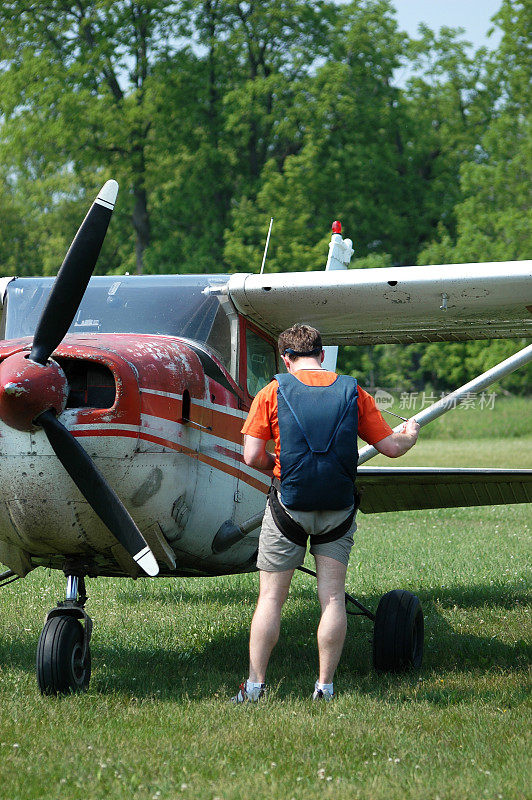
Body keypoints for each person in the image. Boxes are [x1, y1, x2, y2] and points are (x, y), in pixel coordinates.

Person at [232, 323, 420, 702]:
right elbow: (392, 448)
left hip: (289, 506)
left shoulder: (271, 392)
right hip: (338, 509)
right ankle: (325, 687)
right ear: (321, 355)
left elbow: (251, 456)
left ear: (286, 359)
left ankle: (254, 688)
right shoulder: (353, 391)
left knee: (270, 599)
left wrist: (280, 467)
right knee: (332, 598)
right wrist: (410, 433)